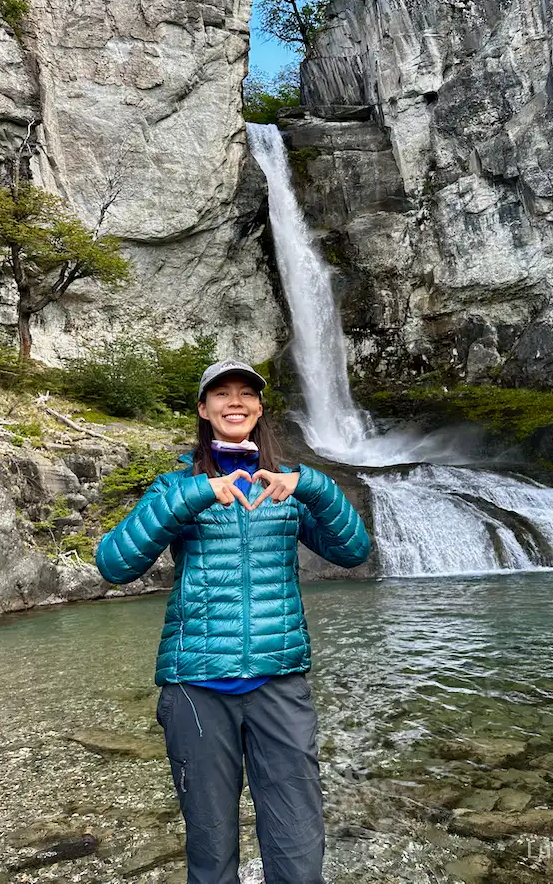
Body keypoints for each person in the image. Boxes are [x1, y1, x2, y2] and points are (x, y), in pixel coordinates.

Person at [96, 359, 371, 884]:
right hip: (195, 688)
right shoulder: (174, 487)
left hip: (280, 682)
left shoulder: (287, 488)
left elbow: (354, 551)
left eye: (247, 393)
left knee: (297, 849)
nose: (235, 402)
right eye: (221, 393)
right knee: (210, 845)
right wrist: (197, 493)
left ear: (261, 407)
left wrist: (310, 484)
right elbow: (114, 564)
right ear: (203, 409)